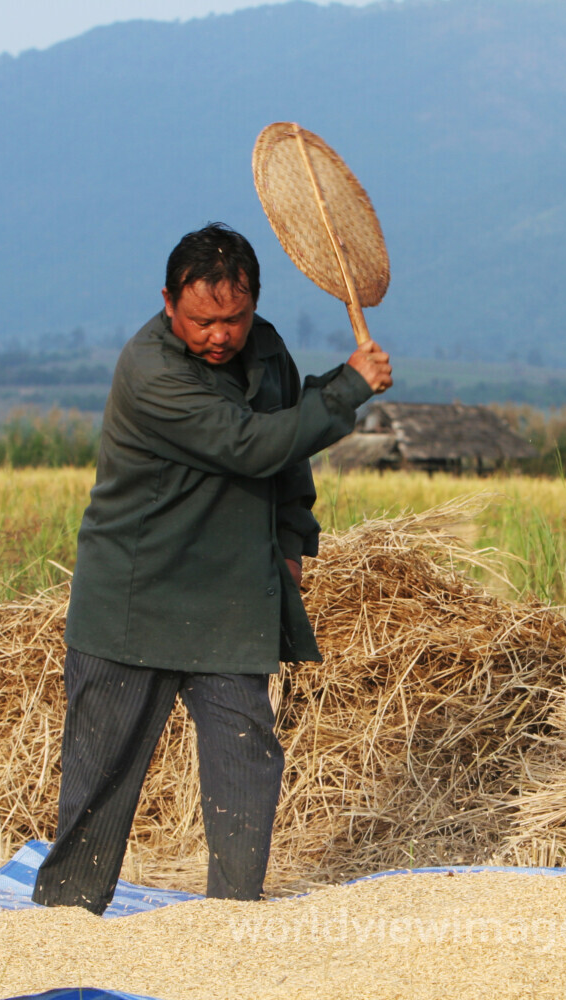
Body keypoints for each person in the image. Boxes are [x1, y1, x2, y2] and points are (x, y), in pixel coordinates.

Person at [32, 222, 392, 913]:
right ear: (170, 304)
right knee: (100, 777)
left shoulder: (267, 350)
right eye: (202, 321)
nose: (220, 335)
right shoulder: (152, 370)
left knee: (246, 762)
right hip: (135, 597)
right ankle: (65, 925)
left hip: (231, 599)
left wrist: (291, 541)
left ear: (253, 305)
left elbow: (289, 460)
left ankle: (231, 919)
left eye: (234, 318)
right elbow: (251, 444)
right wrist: (347, 389)